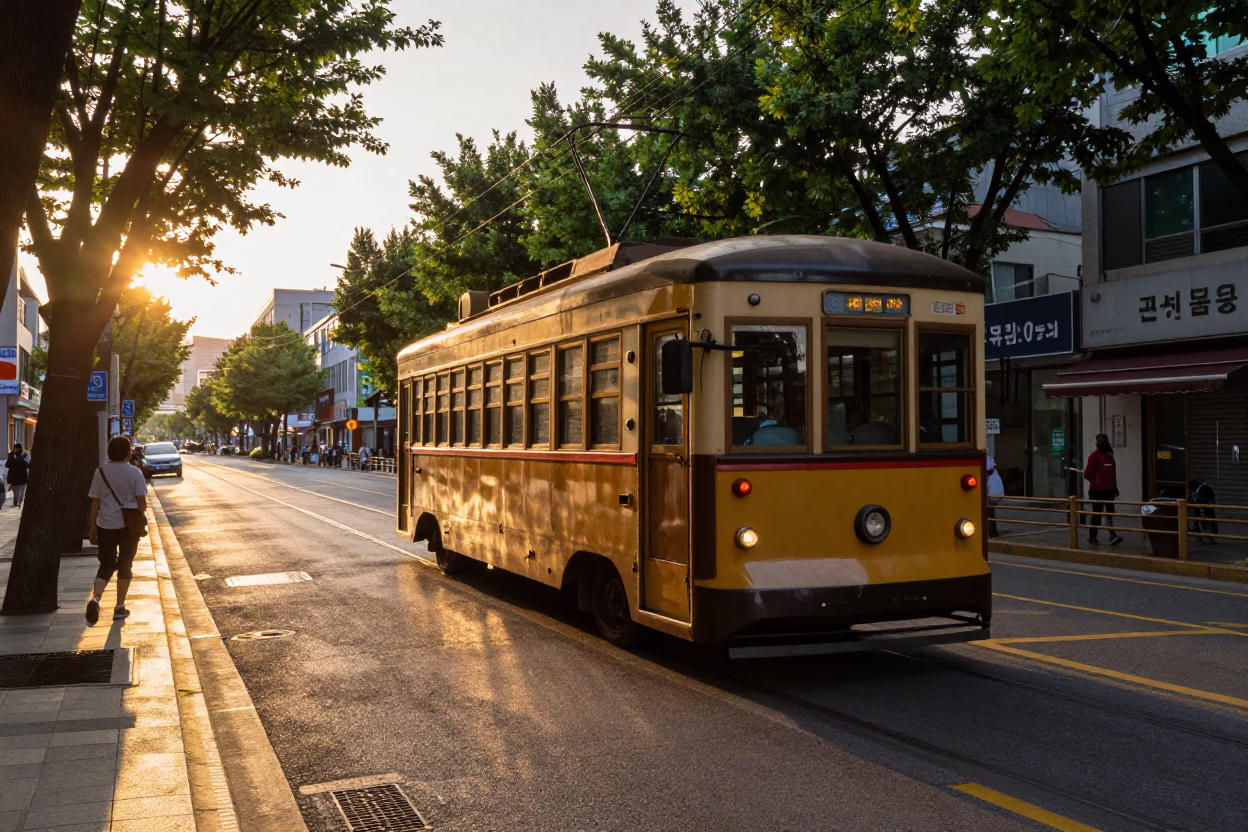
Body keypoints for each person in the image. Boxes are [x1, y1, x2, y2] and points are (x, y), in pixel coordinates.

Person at [85, 435, 149, 624]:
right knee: (125, 565)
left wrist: (92, 527)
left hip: (106, 524)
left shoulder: (101, 472)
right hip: (129, 527)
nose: (131, 452)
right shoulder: (135, 473)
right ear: (127, 452)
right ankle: (119, 607)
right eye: (130, 449)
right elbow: (141, 502)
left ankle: (96, 598)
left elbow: (95, 503)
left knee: (106, 563)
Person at [1084, 433, 1123, 546]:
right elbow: (1087, 474)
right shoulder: (1093, 456)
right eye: (1100, 441)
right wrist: (1097, 479)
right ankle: (1093, 536)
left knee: (1109, 513)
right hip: (1097, 491)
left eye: (1104, 441)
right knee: (1097, 514)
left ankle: (1112, 535)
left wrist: (1114, 487)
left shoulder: (1110, 456)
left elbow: (1113, 473)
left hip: (1109, 490)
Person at [5, 443, 29, 508]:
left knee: (18, 493)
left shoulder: (12, 456)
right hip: (20, 477)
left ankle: (17, 505)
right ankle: (17, 505)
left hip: (17, 477)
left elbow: (7, 465)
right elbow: (28, 465)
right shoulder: (22, 456)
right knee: (19, 493)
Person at [986, 455, 1005, 537]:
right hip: (992, 496)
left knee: (990, 515)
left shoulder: (992, 476)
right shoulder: (994, 474)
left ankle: (992, 532)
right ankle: (992, 532)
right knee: (991, 515)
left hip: (991, 497)